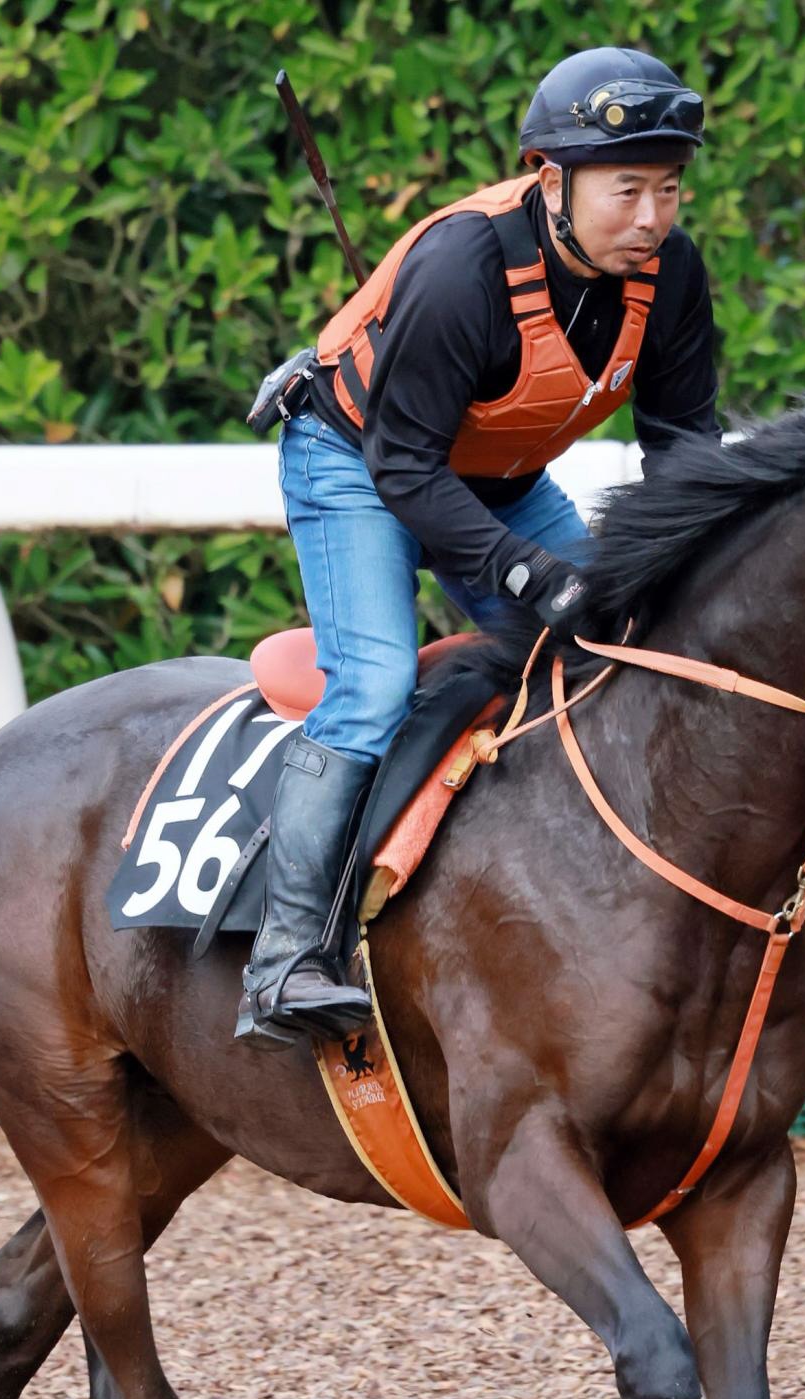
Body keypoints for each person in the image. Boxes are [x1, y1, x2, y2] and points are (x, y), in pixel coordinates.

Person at [238, 45, 721, 1047]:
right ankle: (285, 958)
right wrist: (520, 567)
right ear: (552, 180)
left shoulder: (670, 275)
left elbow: (682, 450)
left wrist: (673, 579)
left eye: (668, 190)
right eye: (626, 189)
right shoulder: (465, 268)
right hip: (357, 462)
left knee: (608, 651)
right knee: (371, 687)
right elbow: (404, 467)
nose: (651, 218)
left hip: (494, 474)